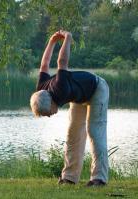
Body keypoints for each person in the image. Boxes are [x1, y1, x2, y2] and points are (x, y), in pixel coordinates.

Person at [30, 30, 109, 186]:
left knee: (94, 131)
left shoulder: (59, 88)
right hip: (79, 97)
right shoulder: (41, 88)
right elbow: (44, 64)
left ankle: (99, 178)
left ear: (51, 102)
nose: (49, 116)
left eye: (47, 113)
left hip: (97, 89)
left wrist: (68, 38)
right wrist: (52, 41)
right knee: (73, 135)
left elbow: (62, 61)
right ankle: (69, 177)